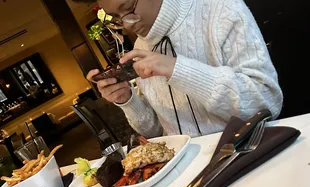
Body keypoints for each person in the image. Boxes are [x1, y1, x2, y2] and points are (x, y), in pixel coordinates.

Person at [75, 0, 283, 138]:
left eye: (129, 8)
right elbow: (156, 132)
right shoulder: (140, 48)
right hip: (185, 179)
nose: (127, 25)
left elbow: (267, 104)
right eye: (116, 17)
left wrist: (178, 69)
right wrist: (128, 101)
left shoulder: (221, 10)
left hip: (248, 156)